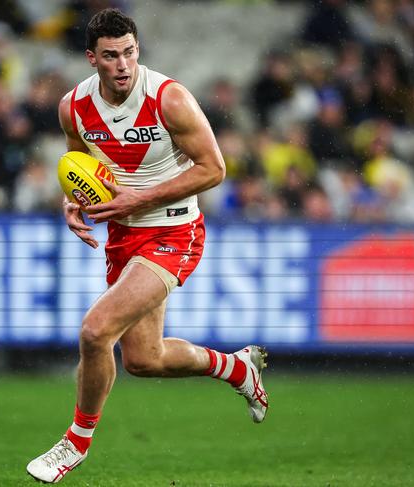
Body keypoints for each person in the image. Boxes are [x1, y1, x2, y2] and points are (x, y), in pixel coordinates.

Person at [26, 9, 269, 483]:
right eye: (111, 56)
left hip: (174, 231)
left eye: (130, 53)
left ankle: (74, 444)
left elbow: (214, 169)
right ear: (91, 58)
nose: (123, 65)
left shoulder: (168, 98)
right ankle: (238, 369)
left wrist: (140, 197)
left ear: (139, 50)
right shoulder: (72, 107)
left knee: (96, 332)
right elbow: (80, 160)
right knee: (143, 359)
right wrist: (72, 198)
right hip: (124, 234)